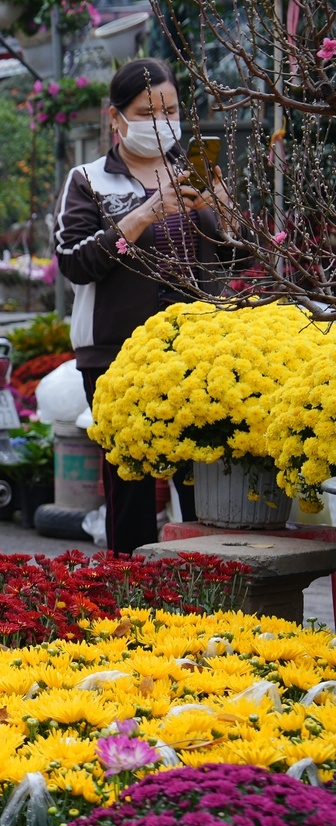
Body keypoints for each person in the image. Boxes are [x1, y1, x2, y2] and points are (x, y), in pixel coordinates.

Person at [55, 56, 241, 555]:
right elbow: (75, 262)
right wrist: (142, 216)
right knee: (131, 484)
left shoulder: (192, 175)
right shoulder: (89, 180)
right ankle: (130, 586)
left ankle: (204, 587)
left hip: (198, 350)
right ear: (116, 118)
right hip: (117, 356)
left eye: (170, 110)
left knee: (202, 481)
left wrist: (225, 214)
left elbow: (236, 260)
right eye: (146, 112)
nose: (161, 123)